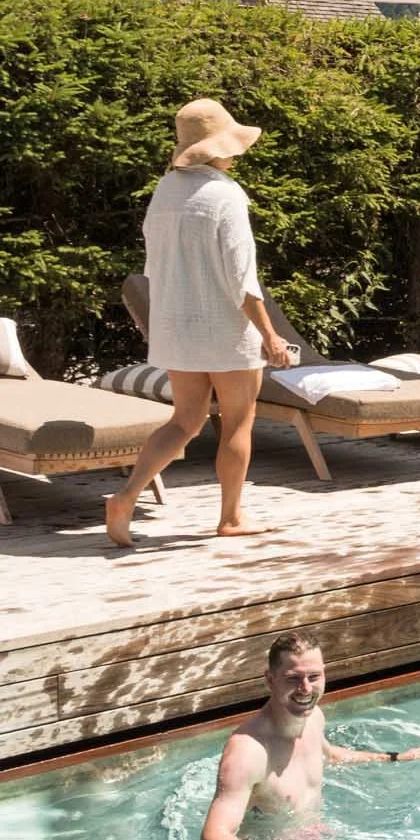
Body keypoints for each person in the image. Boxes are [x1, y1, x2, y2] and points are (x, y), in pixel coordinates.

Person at [106, 100, 292, 547]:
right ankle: (231, 517)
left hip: (177, 324)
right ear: (220, 149)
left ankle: (127, 495)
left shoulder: (165, 191)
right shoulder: (226, 196)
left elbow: (153, 265)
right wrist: (270, 335)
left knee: (184, 421)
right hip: (225, 328)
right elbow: (242, 280)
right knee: (238, 423)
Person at [201, 630, 420, 840]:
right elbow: (215, 835)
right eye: (293, 678)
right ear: (270, 680)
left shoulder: (314, 718)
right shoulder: (248, 751)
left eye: (314, 677)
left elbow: (331, 755)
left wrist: (393, 758)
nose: (305, 689)